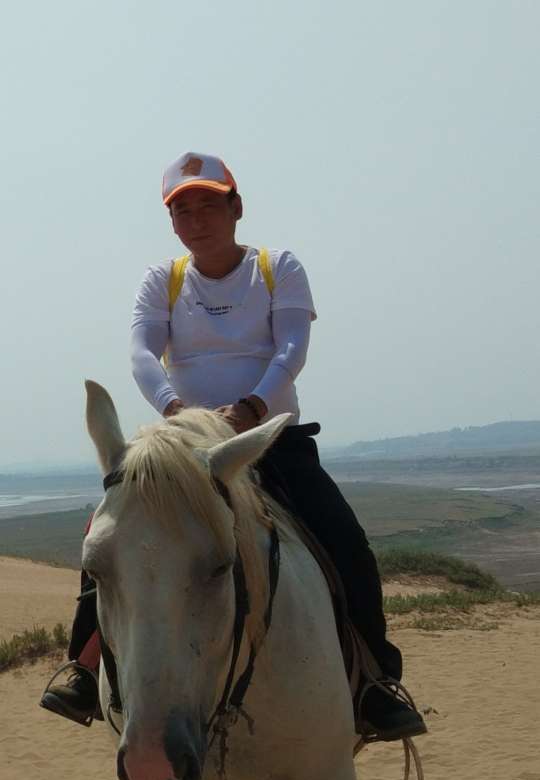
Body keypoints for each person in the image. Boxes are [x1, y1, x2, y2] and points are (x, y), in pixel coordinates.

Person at [41, 151, 426, 742]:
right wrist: (176, 411)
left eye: (209, 204)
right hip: (188, 446)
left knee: (345, 539)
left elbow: (290, 349)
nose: (196, 219)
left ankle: (377, 680)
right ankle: (84, 665)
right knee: (110, 535)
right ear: (172, 221)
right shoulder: (163, 280)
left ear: (236, 208)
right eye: (183, 210)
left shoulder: (277, 268)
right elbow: (142, 353)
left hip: (271, 440)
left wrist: (251, 408)